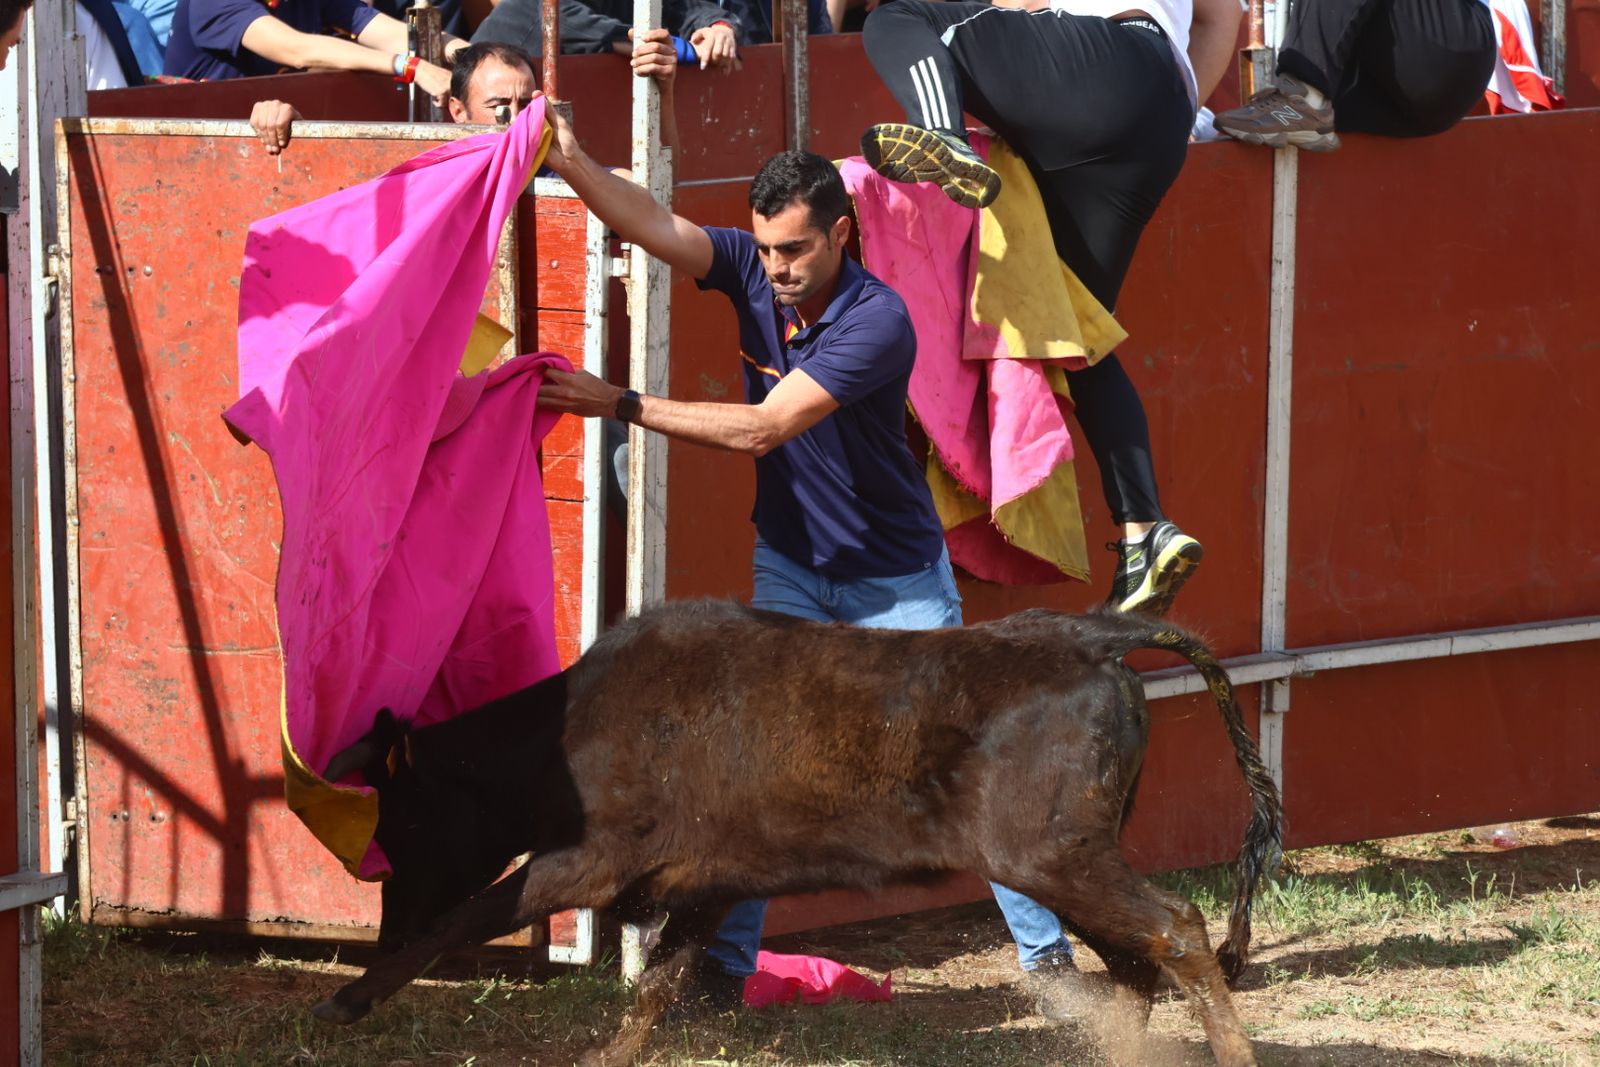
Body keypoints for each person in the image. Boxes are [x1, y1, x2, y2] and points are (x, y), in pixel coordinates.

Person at [534, 121, 993, 1001]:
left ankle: (1052, 967)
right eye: (769, 246)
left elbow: (761, 428)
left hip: (895, 582)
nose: (777, 267)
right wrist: (575, 160)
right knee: (752, 772)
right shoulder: (748, 266)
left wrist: (618, 401)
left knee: (965, 759)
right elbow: (652, 226)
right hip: (790, 564)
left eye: (797, 250)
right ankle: (719, 972)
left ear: (841, 234)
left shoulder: (878, 320)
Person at [855, 0, 1243, 618]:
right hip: (1163, 108)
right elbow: (1224, 18)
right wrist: (1175, 106)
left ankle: (942, 135)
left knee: (901, 14)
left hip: (1090, 66)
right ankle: (1146, 532)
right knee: (1074, 330)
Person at [249, 32, 678, 155]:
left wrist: (666, 93)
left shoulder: (556, 167)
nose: (514, 119)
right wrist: (288, 124)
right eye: (496, 107)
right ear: (457, 110)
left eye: (525, 104)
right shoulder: (427, 163)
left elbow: (656, 195)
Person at [1212, 0, 1495, 151]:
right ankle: (1302, 103)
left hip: (1449, 37)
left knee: (1306, 101)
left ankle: (1303, 97)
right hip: (1396, 93)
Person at [163, 0, 469, 97]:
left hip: (276, 135)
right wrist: (410, 67)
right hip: (206, 148)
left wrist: (479, 58)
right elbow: (297, 49)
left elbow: (389, 33)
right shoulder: (211, 2)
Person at [473, 0, 743, 73]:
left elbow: (683, 8)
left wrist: (719, 29)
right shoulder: (532, 6)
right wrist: (692, 51)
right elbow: (634, 41)